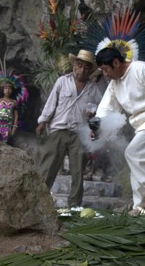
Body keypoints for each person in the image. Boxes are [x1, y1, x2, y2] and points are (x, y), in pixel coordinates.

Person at [94, 47, 145, 215]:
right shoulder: (115, 83)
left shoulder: (143, 68)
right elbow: (106, 108)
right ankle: (140, 206)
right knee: (138, 162)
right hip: (140, 126)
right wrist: (96, 126)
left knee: (133, 153)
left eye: (106, 69)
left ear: (116, 62)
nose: (105, 74)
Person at [36, 49, 105, 207]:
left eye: (87, 67)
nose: (82, 70)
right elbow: (51, 103)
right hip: (58, 130)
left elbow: (99, 112)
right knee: (48, 167)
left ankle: (74, 206)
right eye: (79, 65)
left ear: (91, 70)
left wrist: (92, 118)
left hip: (79, 134)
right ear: (74, 65)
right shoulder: (62, 81)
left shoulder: (93, 90)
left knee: (78, 171)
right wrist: (42, 122)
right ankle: (39, 203)